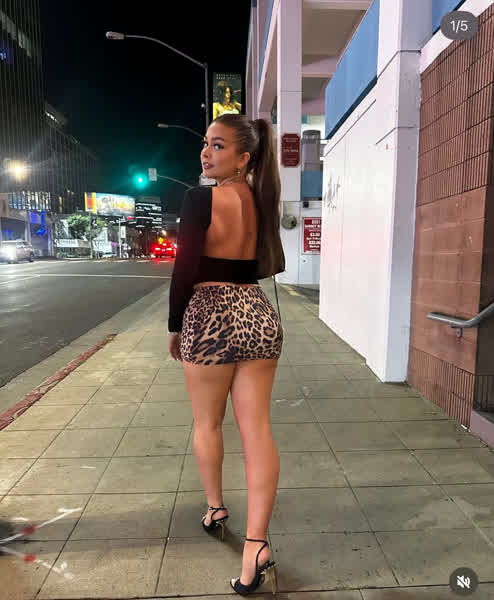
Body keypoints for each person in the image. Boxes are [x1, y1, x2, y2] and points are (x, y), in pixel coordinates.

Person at [167, 114, 285, 595]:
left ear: (243, 157)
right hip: (257, 314)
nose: (205, 152)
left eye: (218, 145)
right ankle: (256, 543)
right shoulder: (262, 199)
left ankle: (216, 508)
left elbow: (185, 267)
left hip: (209, 316)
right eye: (205, 143)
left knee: (207, 424)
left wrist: (175, 325)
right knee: (257, 429)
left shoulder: (200, 199)